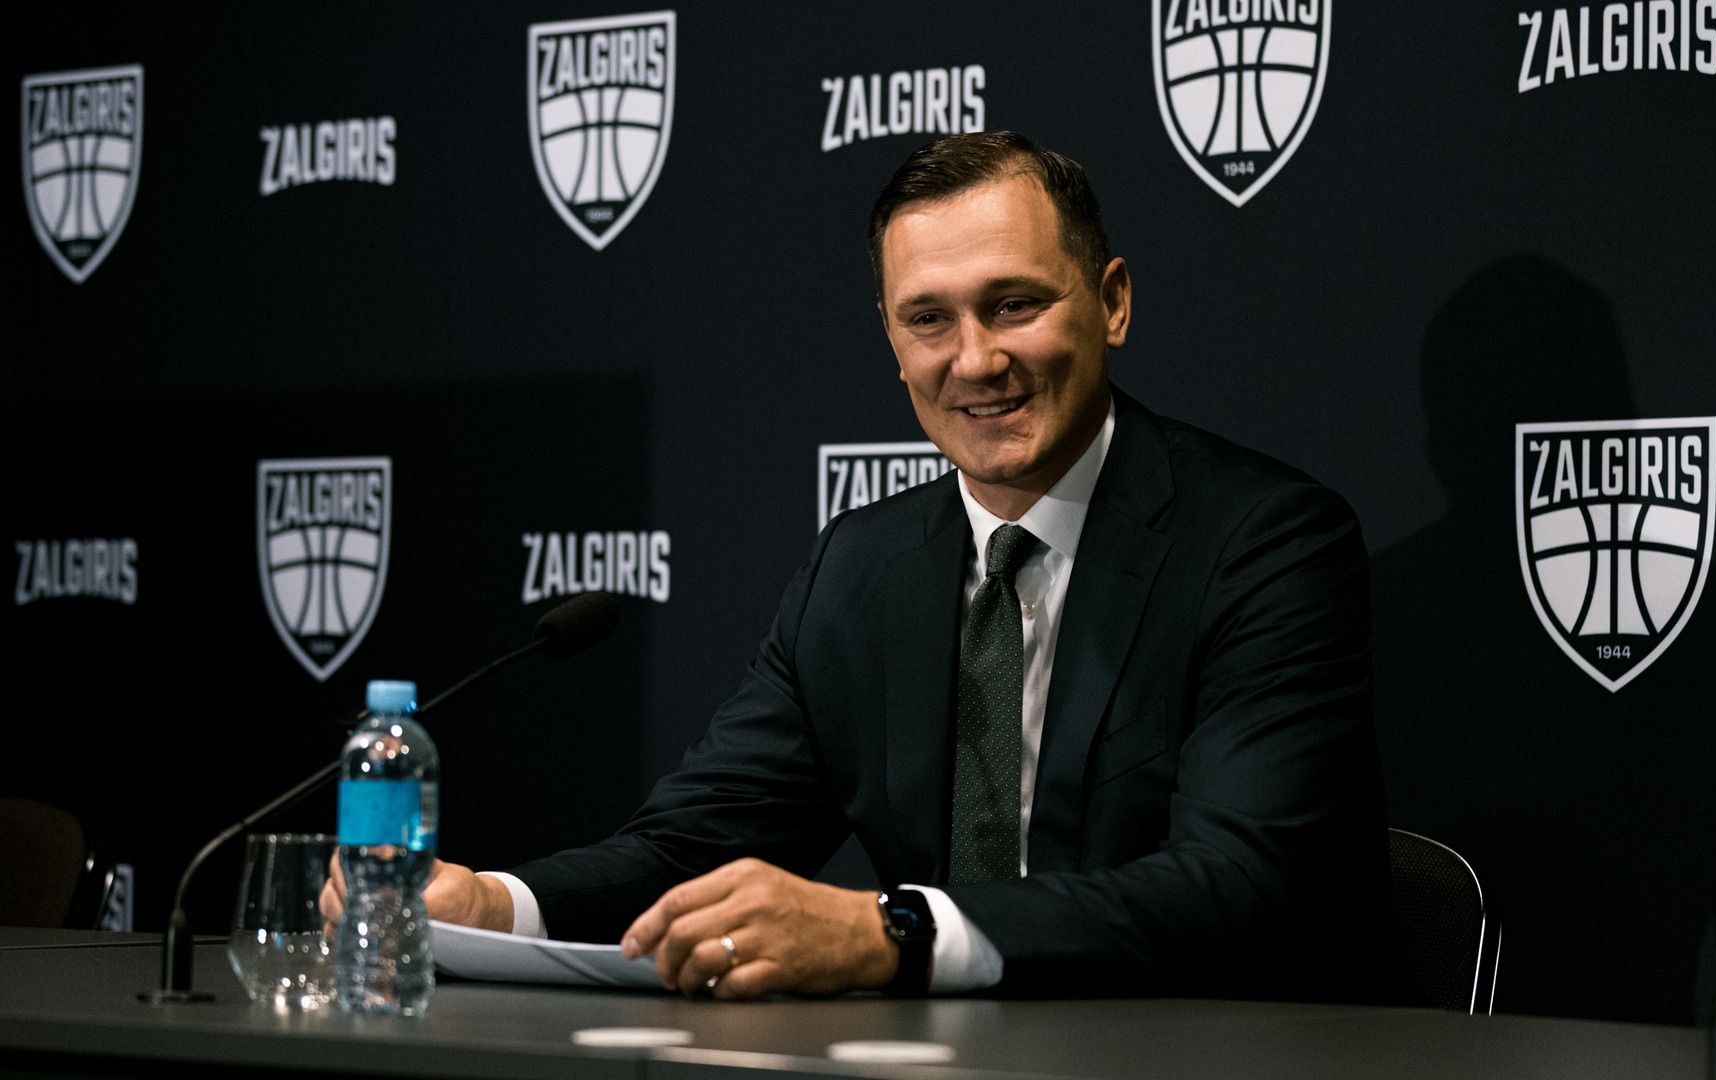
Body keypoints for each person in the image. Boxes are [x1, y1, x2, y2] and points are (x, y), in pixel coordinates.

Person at [324, 131, 1389, 1001]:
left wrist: (892, 931)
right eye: (929, 319)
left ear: (1110, 302)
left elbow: (1240, 887)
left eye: (1015, 304)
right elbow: (692, 848)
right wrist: (492, 906)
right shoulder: (861, 568)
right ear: (890, 339)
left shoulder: (1263, 543)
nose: (975, 359)